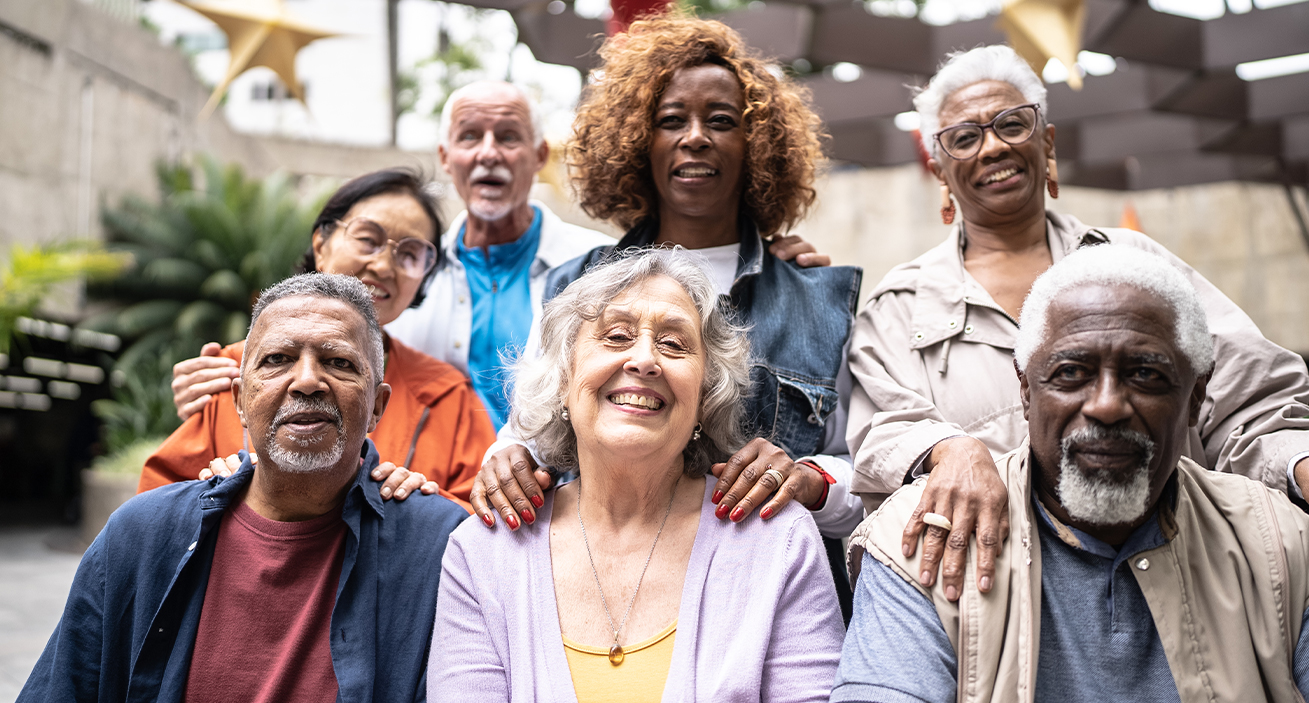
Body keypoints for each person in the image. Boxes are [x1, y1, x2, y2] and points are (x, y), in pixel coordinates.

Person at [847, 44, 1309, 605]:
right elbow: (883, 435)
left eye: (1011, 124)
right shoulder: (899, 305)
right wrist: (950, 448)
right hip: (1004, 600)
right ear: (939, 168)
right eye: (964, 137)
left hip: (1180, 576)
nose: (992, 146)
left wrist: (1296, 462)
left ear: (1046, 142)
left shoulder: (1137, 265)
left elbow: (1248, 398)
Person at [469, 16, 865, 614]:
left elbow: (868, 480)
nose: (696, 137)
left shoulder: (818, 299)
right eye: (671, 120)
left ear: (757, 146)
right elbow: (527, 440)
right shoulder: (573, 286)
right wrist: (508, 464)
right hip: (598, 598)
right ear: (636, 143)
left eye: (722, 121)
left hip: (767, 608)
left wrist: (811, 479)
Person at [834, 245, 1309, 703]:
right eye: (1070, 373)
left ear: (1195, 398)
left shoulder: (1282, 545)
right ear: (1024, 389)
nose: (1106, 406)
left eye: (1145, 374)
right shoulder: (921, 546)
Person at [20, 274, 470, 703]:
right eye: (277, 360)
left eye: (339, 362)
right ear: (238, 400)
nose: (308, 381)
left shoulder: (439, 548)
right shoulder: (141, 536)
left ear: (377, 406)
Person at [431, 251, 844, 701]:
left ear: (706, 397)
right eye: (616, 335)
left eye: (673, 344)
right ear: (563, 380)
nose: (644, 360)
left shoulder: (777, 542)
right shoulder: (483, 552)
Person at [137, 169, 496, 509]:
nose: (385, 266)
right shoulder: (233, 371)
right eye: (368, 239)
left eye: (410, 254)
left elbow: (481, 520)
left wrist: (424, 504)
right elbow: (159, 510)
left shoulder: (448, 395)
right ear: (320, 243)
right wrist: (217, 493)